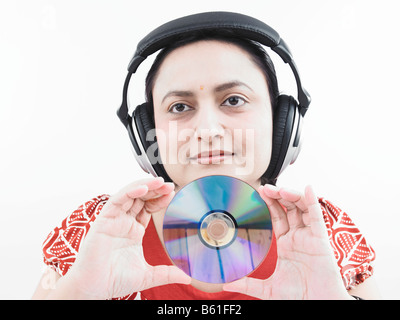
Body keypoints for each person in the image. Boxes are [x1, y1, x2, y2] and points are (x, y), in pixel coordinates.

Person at [32, 12, 378, 300]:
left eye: (234, 100)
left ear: (282, 123)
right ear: (146, 131)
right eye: (179, 107)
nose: (208, 128)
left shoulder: (323, 228)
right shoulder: (98, 227)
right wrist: (78, 293)